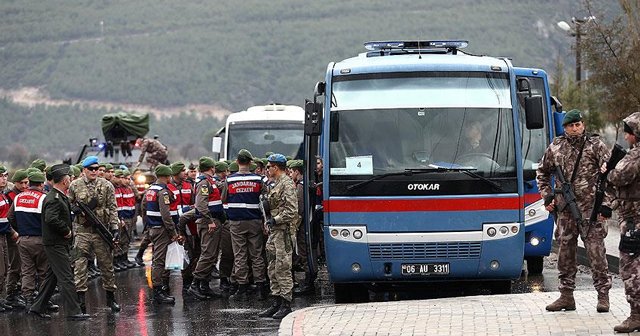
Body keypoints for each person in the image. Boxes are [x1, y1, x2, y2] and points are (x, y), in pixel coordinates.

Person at [536, 109, 612, 312]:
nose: (575, 128)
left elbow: (610, 176)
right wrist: (547, 196)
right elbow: (542, 172)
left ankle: (603, 295)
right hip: (566, 210)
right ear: (565, 127)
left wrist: (606, 203)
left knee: (596, 253)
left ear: (583, 124)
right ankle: (566, 295)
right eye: (571, 125)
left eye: (578, 124)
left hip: (591, 209)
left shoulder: (596, 146)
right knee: (565, 253)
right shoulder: (556, 147)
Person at [28, 164, 90, 320]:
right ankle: (74, 312)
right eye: (69, 178)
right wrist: (66, 231)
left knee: (52, 277)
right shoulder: (54, 198)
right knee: (67, 277)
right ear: (64, 180)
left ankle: (37, 307)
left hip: (57, 243)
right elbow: (51, 218)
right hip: (55, 243)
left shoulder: (59, 195)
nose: (70, 180)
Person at [68, 156, 121, 313]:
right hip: (82, 232)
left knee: (106, 265)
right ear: (84, 169)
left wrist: (114, 227)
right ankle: (81, 302)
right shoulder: (74, 185)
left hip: (101, 231)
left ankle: (111, 298)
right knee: (80, 265)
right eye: (91, 169)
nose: (94, 171)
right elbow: (69, 204)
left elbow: (112, 207)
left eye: (96, 169)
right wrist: (75, 210)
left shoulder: (107, 185)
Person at [607, 112, 640, 333]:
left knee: (630, 267)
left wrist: (608, 171)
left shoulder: (635, 157)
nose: (626, 137)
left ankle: (636, 315)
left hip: (634, 220)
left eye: (629, 133)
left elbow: (618, 177)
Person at [258, 153, 298, 320]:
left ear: (276, 167)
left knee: (283, 267)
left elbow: (291, 211)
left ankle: (286, 304)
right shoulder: (275, 184)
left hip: (284, 232)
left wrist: (275, 220)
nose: (267, 170)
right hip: (275, 232)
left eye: (268, 167)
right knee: (272, 266)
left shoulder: (287, 184)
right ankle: (276, 302)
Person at [224, 149, 268, 300]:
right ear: (250, 163)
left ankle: (242, 287)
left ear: (237, 162)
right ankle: (260, 287)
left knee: (240, 254)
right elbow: (264, 200)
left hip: (236, 222)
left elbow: (224, 198)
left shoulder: (229, 180)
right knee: (256, 254)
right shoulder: (258, 179)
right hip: (254, 221)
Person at [185, 157, 225, 300]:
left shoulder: (209, 181)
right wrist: (209, 220)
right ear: (212, 168)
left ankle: (205, 285)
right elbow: (201, 205)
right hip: (208, 222)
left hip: (213, 220)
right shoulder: (203, 182)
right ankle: (194, 285)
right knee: (207, 254)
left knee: (212, 255)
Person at [141, 164, 182, 304]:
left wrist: (148, 224)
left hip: (153, 227)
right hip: (161, 229)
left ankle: (159, 290)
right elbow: (166, 215)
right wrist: (173, 231)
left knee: (158, 258)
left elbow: (143, 207)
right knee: (159, 261)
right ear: (167, 176)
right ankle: (158, 292)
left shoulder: (150, 189)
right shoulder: (163, 191)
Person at [7, 171, 49, 303]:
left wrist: (20, 230)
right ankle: (43, 300)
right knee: (43, 271)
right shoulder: (43, 198)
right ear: (41, 184)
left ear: (29, 183)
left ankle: (28, 299)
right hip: (41, 239)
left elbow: (10, 217)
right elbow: (49, 219)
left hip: (23, 240)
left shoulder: (18, 198)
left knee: (27, 271)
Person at [0, 172, 18, 312]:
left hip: (3, 235)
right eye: (0, 176)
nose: (4, 178)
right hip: (3, 233)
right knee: (1, 270)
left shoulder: (3, 195)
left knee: (5, 268)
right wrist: (12, 231)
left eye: (5, 175)